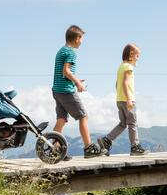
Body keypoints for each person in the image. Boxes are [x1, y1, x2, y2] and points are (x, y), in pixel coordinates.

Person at [51, 25, 104, 159]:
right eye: (81, 39)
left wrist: (75, 79)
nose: (82, 42)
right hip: (66, 91)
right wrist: (77, 83)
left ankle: (55, 149)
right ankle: (88, 148)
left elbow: (62, 73)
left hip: (57, 90)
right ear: (76, 38)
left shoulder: (61, 50)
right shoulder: (71, 52)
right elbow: (66, 71)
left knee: (61, 119)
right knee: (83, 116)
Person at [97, 43, 147, 156]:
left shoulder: (121, 66)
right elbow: (125, 82)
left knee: (123, 123)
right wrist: (129, 99)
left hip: (120, 100)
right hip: (128, 100)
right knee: (133, 123)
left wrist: (120, 96)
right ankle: (135, 146)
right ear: (131, 55)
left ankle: (107, 140)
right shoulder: (129, 67)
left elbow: (117, 84)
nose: (138, 58)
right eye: (137, 56)